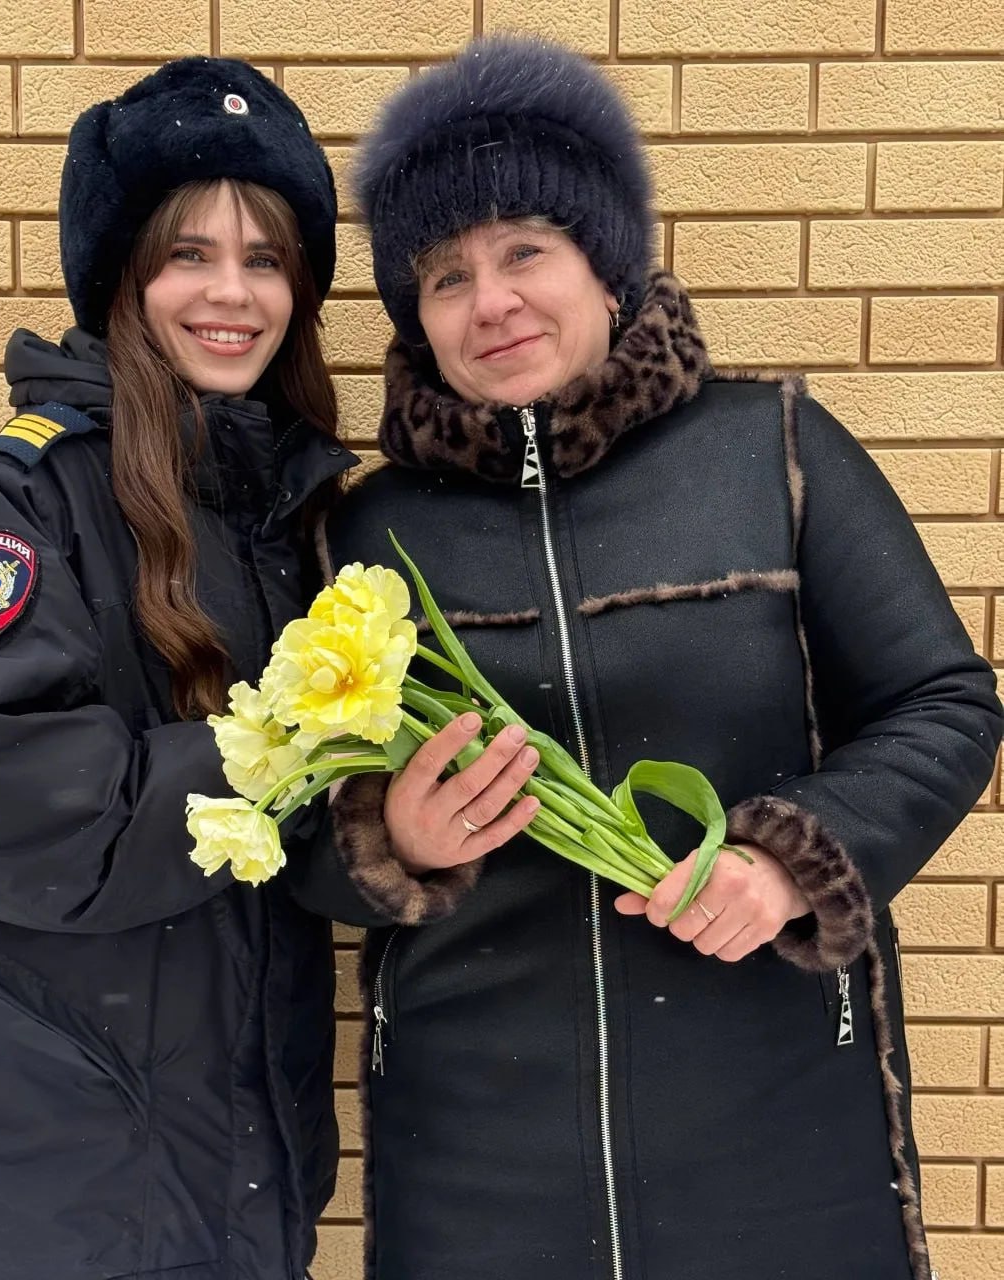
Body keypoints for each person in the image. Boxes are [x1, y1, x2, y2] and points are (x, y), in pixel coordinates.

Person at [292, 36, 1003, 1280]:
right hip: (475, 1154)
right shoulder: (365, 535)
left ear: (606, 267)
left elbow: (941, 703)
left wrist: (789, 859)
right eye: (447, 275)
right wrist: (386, 836)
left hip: (777, 1118)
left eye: (525, 250)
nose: (490, 301)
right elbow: (285, 829)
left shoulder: (772, 451)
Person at [0, 58, 355, 1280]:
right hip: (58, 1196)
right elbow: (1, 798)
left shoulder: (284, 512)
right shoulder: (35, 494)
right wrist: (280, 754)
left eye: (265, 258)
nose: (231, 292)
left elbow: (289, 857)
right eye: (188, 254)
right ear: (124, 277)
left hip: (233, 1179)